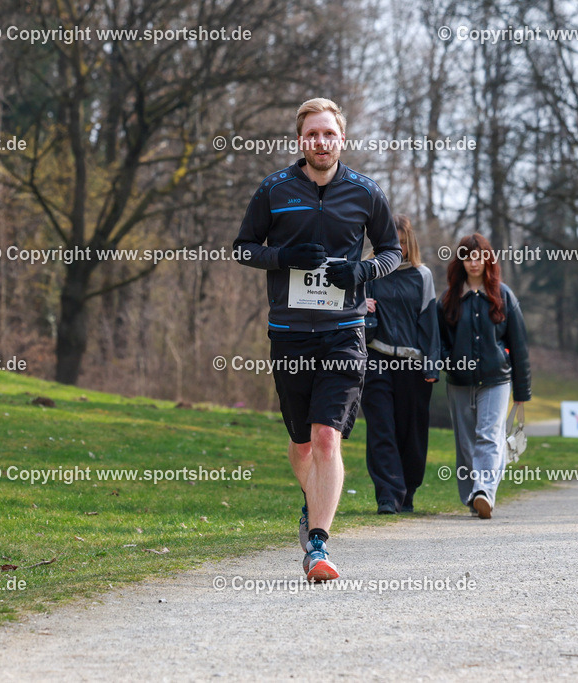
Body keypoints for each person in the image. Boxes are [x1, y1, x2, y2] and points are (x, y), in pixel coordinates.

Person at [233, 97, 401, 580]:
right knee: (302, 442)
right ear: (300, 140)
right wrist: (283, 257)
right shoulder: (274, 189)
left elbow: (390, 250)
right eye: (312, 135)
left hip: (344, 331)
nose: (320, 142)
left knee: (327, 437)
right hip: (289, 333)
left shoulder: (366, 192)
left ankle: (319, 544)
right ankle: (313, 504)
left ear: (341, 139)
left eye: (328, 134)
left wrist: (363, 270)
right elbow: (244, 248)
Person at [438, 233, 531, 519]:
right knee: (465, 442)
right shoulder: (448, 299)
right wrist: (449, 363)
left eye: (478, 256)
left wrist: (522, 392)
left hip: (497, 380)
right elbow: (440, 343)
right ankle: (472, 495)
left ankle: (484, 492)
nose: (473, 262)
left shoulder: (503, 295)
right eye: (467, 256)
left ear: (487, 259)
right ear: (461, 261)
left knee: (489, 436)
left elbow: (519, 345)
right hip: (459, 382)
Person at [361, 215, 440, 514]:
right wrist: (360, 305)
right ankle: (387, 496)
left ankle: (408, 491)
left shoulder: (423, 276)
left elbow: (429, 325)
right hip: (375, 358)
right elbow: (350, 315)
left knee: (412, 431)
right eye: (395, 242)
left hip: (413, 364)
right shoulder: (369, 272)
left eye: (404, 243)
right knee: (381, 429)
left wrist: (431, 367)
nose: (400, 248)